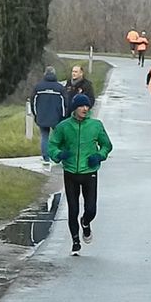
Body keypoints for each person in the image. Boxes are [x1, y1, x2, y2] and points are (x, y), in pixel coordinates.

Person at [48, 94, 113, 256]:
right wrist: (59, 154)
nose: (85, 109)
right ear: (75, 108)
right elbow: (52, 145)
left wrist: (99, 156)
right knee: (73, 209)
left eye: (87, 106)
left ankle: (86, 222)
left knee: (91, 209)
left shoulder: (96, 125)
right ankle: (75, 241)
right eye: (81, 106)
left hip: (89, 172)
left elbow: (107, 145)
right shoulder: (63, 127)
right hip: (70, 172)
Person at [30, 66, 67, 165]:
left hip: (42, 117)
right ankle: (58, 156)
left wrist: (36, 115)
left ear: (45, 74)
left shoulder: (38, 87)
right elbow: (65, 103)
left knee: (44, 137)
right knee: (58, 137)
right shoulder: (60, 88)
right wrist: (63, 116)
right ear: (55, 74)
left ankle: (46, 157)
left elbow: (33, 102)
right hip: (57, 117)